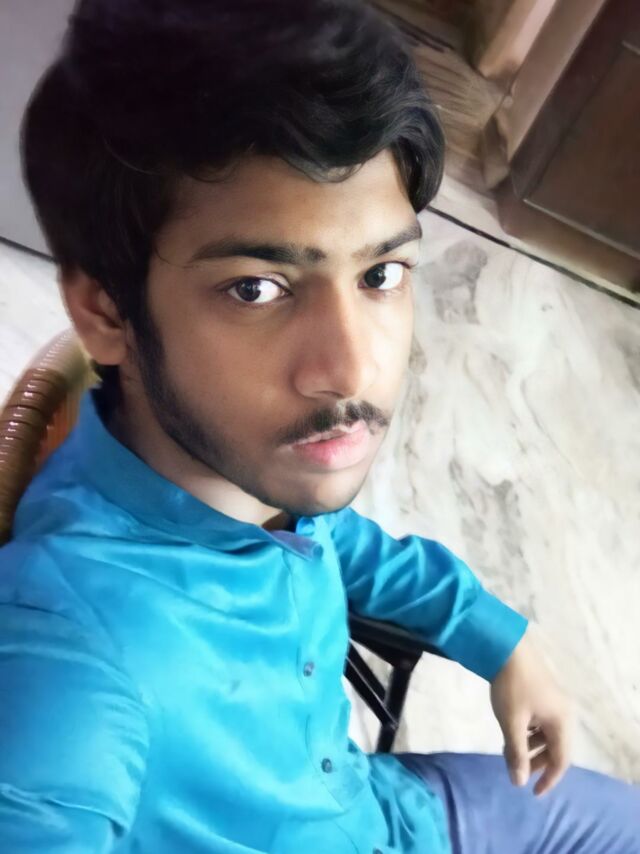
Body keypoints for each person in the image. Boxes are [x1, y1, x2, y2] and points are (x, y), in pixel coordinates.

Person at [1, 0, 637, 851]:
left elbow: (346, 546)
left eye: (382, 273)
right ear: (105, 311)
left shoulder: (243, 468)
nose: (352, 368)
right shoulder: (69, 657)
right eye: (257, 288)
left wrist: (505, 641)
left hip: (394, 814)